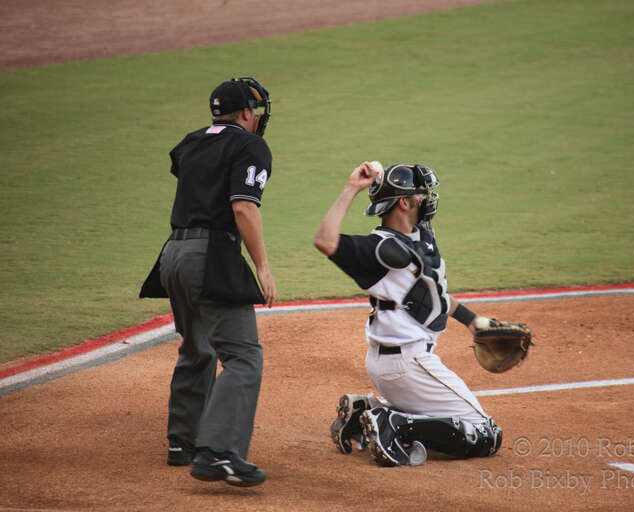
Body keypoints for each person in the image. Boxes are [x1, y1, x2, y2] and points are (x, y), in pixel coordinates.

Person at [314, 161, 502, 467]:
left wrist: (472, 321)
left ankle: (366, 411)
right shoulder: (379, 249)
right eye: (420, 195)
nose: (426, 200)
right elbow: (324, 241)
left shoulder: (419, 238)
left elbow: (432, 295)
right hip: (409, 365)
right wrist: (352, 188)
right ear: (404, 202)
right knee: (485, 435)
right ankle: (392, 424)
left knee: (444, 417)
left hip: (390, 365)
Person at [139, 77, 277, 486]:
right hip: (210, 257)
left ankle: (183, 441)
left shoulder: (190, 142)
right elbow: (243, 208)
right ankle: (219, 452)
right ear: (248, 113)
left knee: (197, 346)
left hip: (172, 257)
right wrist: (263, 268)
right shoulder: (250, 145)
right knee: (243, 357)